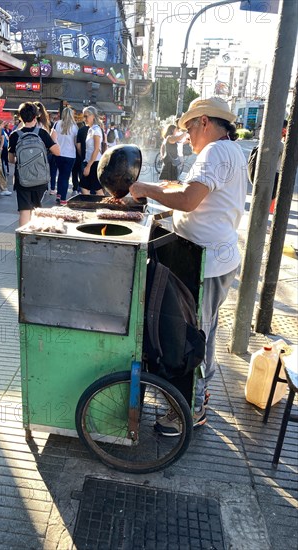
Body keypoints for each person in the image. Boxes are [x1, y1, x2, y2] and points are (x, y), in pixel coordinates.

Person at [130, 97, 247, 430]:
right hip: (217, 256)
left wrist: (146, 189)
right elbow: (198, 196)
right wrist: (171, 195)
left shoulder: (215, 152)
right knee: (204, 328)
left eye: (190, 127)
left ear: (206, 122)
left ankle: (191, 409)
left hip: (207, 261)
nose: (189, 135)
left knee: (197, 333)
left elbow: (188, 200)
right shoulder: (231, 152)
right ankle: (199, 396)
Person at [8, 102, 60, 227]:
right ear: (36, 116)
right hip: (40, 178)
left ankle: (22, 241)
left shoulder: (14, 135)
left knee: (24, 211)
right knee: (37, 210)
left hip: (22, 179)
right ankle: (35, 237)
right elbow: (57, 152)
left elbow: (10, 159)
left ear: (20, 117)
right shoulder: (42, 133)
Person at [49, 107, 78, 205]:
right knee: (65, 176)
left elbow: (52, 138)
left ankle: (59, 194)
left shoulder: (57, 124)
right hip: (70, 155)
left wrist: (57, 145)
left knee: (60, 174)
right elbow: (76, 142)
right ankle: (63, 199)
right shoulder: (74, 127)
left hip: (59, 153)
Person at [79, 106, 104, 196]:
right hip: (90, 161)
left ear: (93, 116)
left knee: (97, 189)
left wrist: (89, 166)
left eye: (86, 116)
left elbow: (96, 149)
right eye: (84, 116)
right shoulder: (91, 129)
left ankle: (100, 207)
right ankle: (91, 206)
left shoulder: (96, 130)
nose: (84, 118)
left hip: (94, 163)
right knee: (84, 186)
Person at [71, 121, 88, 194]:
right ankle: (82, 189)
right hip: (83, 156)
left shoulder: (77, 133)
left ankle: (75, 188)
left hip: (75, 156)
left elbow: (77, 146)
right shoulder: (86, 133)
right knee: (81, 173)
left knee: (74, 173)